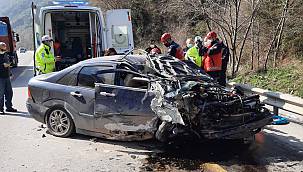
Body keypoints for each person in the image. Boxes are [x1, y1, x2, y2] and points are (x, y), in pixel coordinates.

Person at [0, 42, 17, 114]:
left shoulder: (5, 54)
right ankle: (1, 109)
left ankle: (9, 107)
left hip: (6, 76)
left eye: (5, 46)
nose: (5, 48)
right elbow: (3, 65)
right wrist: (3, 65)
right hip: (0, 77)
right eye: (3, 47)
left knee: (9, 92)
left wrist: (10, 74)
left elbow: (8, 65)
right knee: (1, 94)